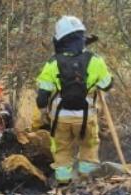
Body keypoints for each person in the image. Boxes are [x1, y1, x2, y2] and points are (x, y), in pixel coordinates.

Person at [34, 16, 112, 184]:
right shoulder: (96, 60)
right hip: (86, 117)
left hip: (60, 118)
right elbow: (107, 85)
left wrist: (43, 111)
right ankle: (86, 182)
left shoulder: (52, 63)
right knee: (89, 147)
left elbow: (42, 97)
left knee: (62, 150)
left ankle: (63, 184)